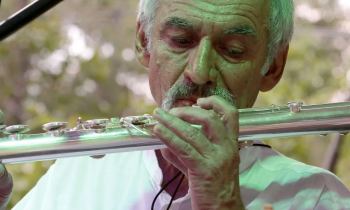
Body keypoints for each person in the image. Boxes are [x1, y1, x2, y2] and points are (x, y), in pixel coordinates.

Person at [1, 0, 350, 209]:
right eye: (181, 41)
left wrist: (222, 200)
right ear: (143, 43)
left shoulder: (316, 196)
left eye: (233, 51)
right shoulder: (78, 171)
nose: (199, 73)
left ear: (272, 67)